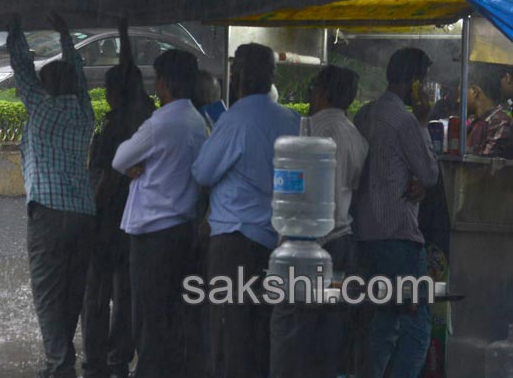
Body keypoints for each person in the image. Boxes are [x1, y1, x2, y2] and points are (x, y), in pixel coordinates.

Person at [191, 42, 300, 378]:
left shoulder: (235, 120)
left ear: (236, 77)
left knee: (229, 337)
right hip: (276, 245)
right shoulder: (292, 120)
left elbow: (202, 172)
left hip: (233, 244)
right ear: (271, 78)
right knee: (261, 336)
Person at [8, 11, 97, 378]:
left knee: (46, 294)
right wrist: (66, 34)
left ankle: (60, 366)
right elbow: (76, 75)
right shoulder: (84, 114)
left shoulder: (40, 107)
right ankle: (57, 360)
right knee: (72, 291)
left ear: (45, 87)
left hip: (47, 212)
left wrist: (15, 23)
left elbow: (21, 65)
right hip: (83, 214)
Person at [112, 48, 207, 378]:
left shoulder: (160, 123)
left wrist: (134, 165)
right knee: (172, 315)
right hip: (182, 231)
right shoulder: (197, 121)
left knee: (149, 320)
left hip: (153, 235)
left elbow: (120, 157)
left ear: (164, 82)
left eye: (156, 79)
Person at [269, 65, 368, 378]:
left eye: (313, 89)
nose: (310, 95)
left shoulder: (314, 131)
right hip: (343, 242)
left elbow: (308, 195)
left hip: (310, 244)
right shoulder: (356, 136)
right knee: (328, 342)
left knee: (291, 336)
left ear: (323, 93)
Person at [352, 47, 439, 378]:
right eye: (426, 80)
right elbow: (429, 173)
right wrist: (422, 120)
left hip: (367, 233)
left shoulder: (366, 114)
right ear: (415, 82)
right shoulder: (405, 121)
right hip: (399, 236)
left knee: (386, 320)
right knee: (417, 330)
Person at [82, 18, 154, 378]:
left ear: (113, 93)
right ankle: (118, 354)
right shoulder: (144, 115)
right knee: (124, 292)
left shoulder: (117, 128)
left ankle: (97, 356)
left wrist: (91, 211)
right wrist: (124, 33)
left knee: (96, 292)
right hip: (133, 219)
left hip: (109, 218)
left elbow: (109, 176)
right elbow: (131, 72)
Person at [466, 62, 513, 158]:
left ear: (475, 91)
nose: (458, 100)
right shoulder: (475, 123)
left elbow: (484, 166)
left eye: (460, 94)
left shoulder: (500, 122)